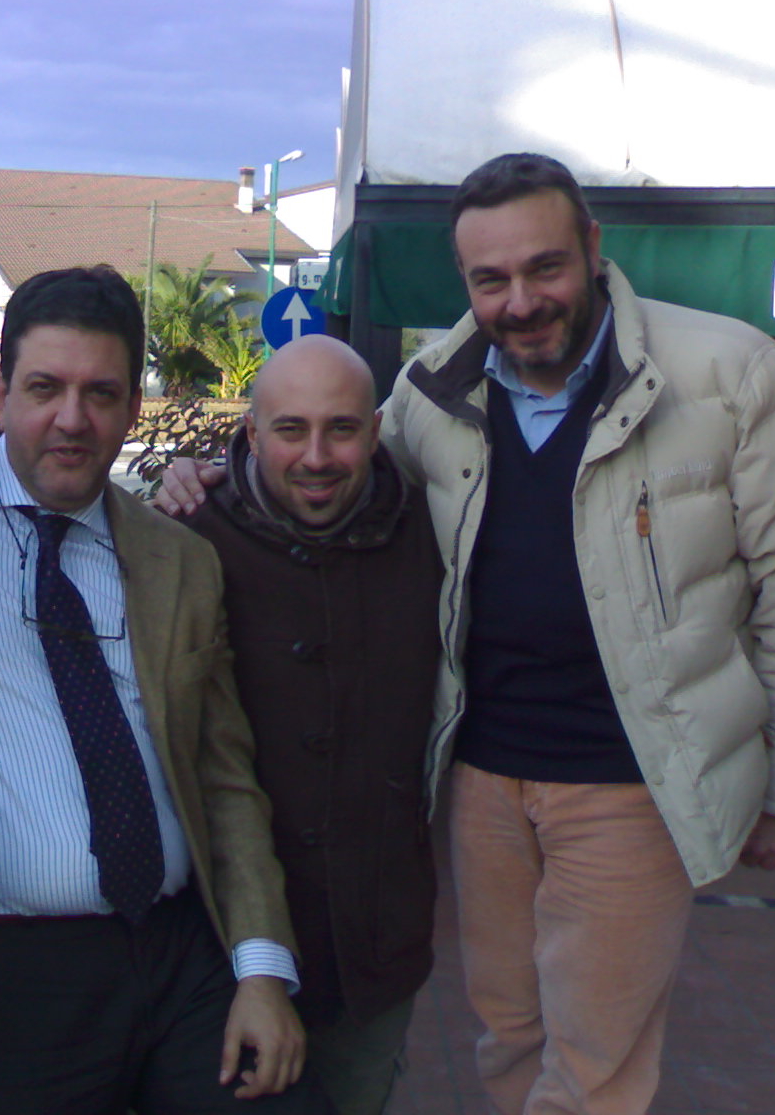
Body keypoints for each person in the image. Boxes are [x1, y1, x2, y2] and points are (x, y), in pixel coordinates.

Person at [161, 152, 775, 1115]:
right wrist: (208, 475)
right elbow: (325, 455)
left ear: (593, 249)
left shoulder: (731, 374)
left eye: (545, 267)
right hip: (482, 780)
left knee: (595, 1064)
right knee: (508, 1031)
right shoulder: (432, 391)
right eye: (490, 279)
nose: (521, 302)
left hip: (631, 775)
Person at [0, 265, 328, 1114]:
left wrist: (261, 970)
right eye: (44, 388)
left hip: (179, 958)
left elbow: (223, 778)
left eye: (101, 393)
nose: (72, 419)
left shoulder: (179, 559)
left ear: (134, 408)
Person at [170, 335, 441, 1115]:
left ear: (376, 431)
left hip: (376, 953)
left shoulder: (433, 535)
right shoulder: (186, 540)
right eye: (291, 430)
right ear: (252, 434)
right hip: (217, 954)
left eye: (342, 429)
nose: (316, 457)